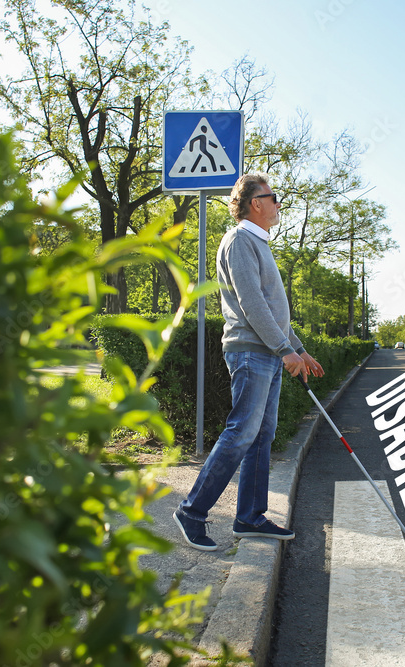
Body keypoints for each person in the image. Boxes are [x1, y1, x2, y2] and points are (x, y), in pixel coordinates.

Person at [173, 173, 324, 551]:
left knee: (260, 437)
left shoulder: (258, 243)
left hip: (268, 352)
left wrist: (298, 348)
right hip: (250, 351)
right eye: (273, 198)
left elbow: (273, 311)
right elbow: (251, 304)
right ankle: (192, 511)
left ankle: (250, 517)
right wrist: (284, 349)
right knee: (241, 432)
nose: (277, 204)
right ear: (255, 203)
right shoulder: (240, 240)